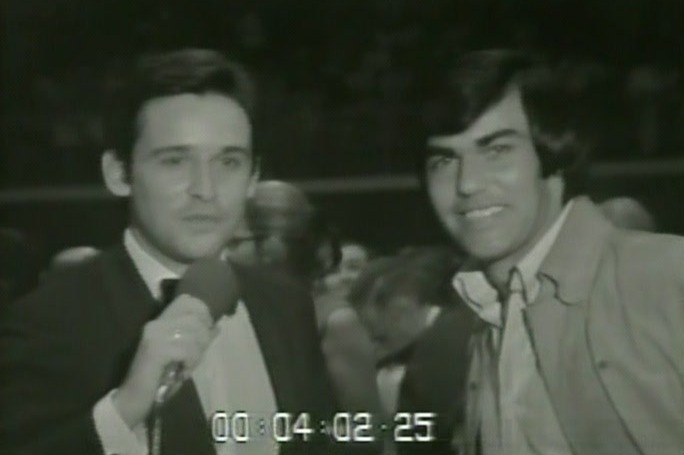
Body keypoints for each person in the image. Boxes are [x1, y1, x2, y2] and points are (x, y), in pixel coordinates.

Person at [0, 49, 340, 455]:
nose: (205, 190)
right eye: (175, 161)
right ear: (118, 174)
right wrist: (125, 409)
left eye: (229, 162)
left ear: (254, 177)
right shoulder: (46, 321)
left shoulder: (288, 306)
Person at [420, 49, 684, 455]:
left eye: (497, 150)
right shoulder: (487, 313)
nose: (467, 183)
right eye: (444, 159)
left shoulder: (667, 278)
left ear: (557, 156)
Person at [348, 248, 474, 455]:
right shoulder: (469, 325)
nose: (375, 352)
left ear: (400, 309)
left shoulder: (429, 364)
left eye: (379, 338)